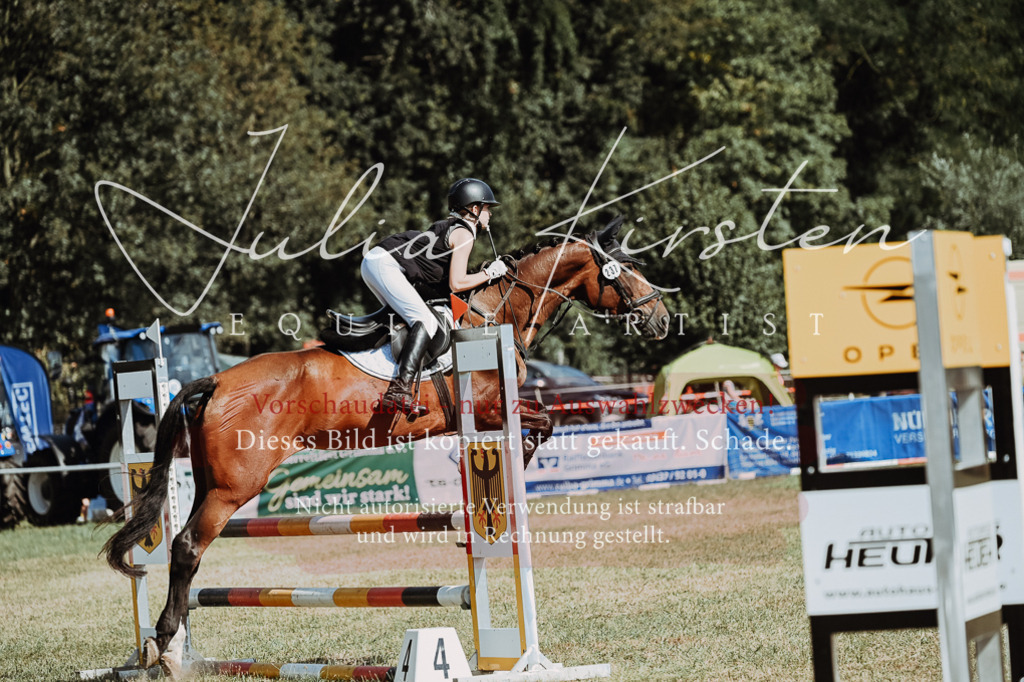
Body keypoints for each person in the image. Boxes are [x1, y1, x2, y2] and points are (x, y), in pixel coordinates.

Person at [361, 178, 508, 413]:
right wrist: (489, 273)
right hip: (384, 265)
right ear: (474, 209)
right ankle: (399, 391)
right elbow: (457, 282)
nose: (490, 214)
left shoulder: (450, 226)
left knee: (410, 323)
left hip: (377, 262)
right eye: (487, 208)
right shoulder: (464, 234)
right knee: (426, 322)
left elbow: (443, 285)